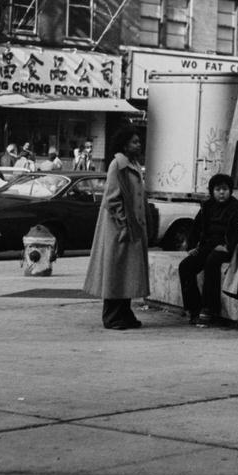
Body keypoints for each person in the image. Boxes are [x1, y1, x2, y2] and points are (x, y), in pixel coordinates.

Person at [82, 129, 149, 330]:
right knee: (115, 272)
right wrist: (123, 223)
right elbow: (112, 199)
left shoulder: (133, 164)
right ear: (125, 144)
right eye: (134, 142)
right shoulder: (117, 165)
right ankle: (112, 316)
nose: (138, 145)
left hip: (132, 227)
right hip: (118, 228)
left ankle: (125, 313)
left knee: (127, 272)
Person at [178, 173, 238, 326]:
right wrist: (192, 246)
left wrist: (228, 246)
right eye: (218, 189)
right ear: (212, 191)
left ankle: (209, 309)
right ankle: (194, 308)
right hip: (207, 245)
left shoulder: (236, 207)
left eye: (225, 189)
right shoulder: (207, 206)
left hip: (225, 248)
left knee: (211, 262)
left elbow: (237, 231)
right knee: (185, 266)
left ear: (230, 191)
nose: (221, 193)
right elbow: (196, 227)